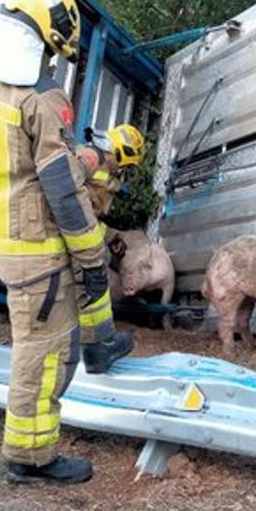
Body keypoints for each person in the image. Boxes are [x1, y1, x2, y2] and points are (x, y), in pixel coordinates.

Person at [0, 0, 132, 485]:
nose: (52, 60)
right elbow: (64, 193)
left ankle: (27, 449)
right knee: (46, 350)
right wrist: (93, 260)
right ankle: (30, 455)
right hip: (33, 246)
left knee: (36, 342)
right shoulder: (37, 99)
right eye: (53, 48)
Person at [72, 123, 146, 365]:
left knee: (90, 285)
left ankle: (98, 347)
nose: (123, 172)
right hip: (69, 236)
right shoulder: (90, 158)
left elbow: (88, 215)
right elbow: (64, 193)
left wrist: (111, 236)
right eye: (127, 165)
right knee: (91, 283)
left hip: (76, 235)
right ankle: (98, 347)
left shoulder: (102, 166)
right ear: (121, 152)